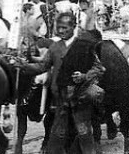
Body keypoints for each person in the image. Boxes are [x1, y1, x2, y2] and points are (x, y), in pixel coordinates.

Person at [22, 12, 105, 154]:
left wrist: (85, 76)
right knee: (56, 134)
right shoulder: (54, 47)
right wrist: (23, 66)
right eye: (58, 27)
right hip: (60, 99)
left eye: (64, 28)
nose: (60, 31)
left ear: (73, 27)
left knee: (84, 133)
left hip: (80, 98)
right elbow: (42, 66)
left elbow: (99, 68)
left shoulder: (84, 45)